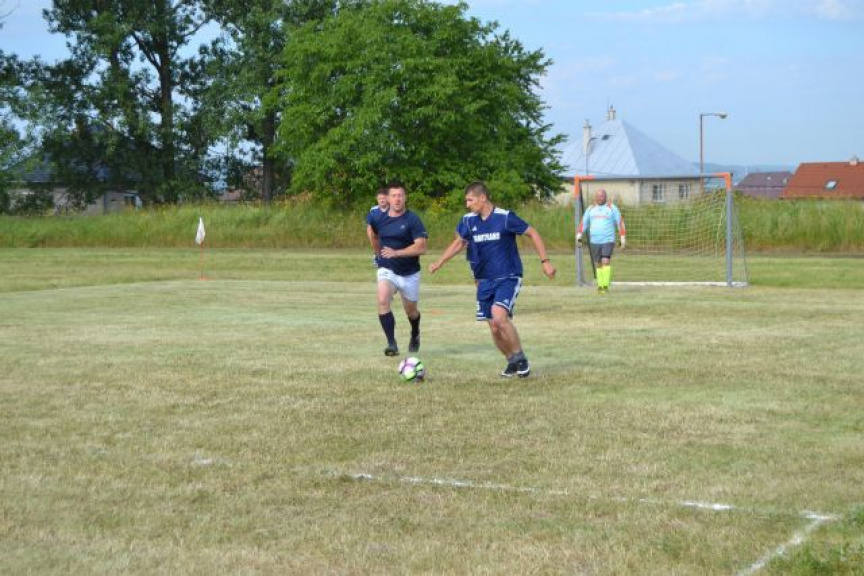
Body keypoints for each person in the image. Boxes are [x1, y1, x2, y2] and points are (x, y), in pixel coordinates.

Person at [429, 181, 556, 378]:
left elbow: (532, 233)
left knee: (499, 316)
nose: (467, 205)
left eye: (470, 200)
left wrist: (545, 261)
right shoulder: (468, 221)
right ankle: (511, 361)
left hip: (508, 276)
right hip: (483, 281)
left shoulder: (505, 217)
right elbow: (459, 243)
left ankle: (521, 358)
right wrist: (440, 262)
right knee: (494, 328)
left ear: (482, 198)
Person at [368, 182, 428, 356]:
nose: (397, 199)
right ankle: (391, 344)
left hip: (409, 272)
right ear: (387, 198)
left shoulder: (412, 219)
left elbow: (422, 247)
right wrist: (379, 254)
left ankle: (415, 332)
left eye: (400, 195)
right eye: (393, 196)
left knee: (411, 311)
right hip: (387, 268)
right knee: (382, 299)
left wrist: (397, 253)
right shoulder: (378, 218)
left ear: (405, 197)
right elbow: (373, 234)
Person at [577, 188, 625, 293]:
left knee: (605, 261)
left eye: (601, 196)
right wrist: (579, 236)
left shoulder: (612, 208)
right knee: (598, 263)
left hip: (608, 239)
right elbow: (584, 223)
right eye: (597, 196)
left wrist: (622, 237)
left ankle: (605, 286)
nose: (599, 198)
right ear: (595, 197)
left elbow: (620, 222)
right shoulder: (590, 209)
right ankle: (600, 285)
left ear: (605, 197)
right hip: (594, 241)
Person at [365, 188, 389, 266]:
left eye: (383, 198)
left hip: (391, 230)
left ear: (388, 198)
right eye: (379, 198)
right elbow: (369, 223)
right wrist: (372, 234)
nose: (381, 200)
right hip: (378, 231)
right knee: (370, 231)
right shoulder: (373, 210)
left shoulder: (393, 209)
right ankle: (378, 256)